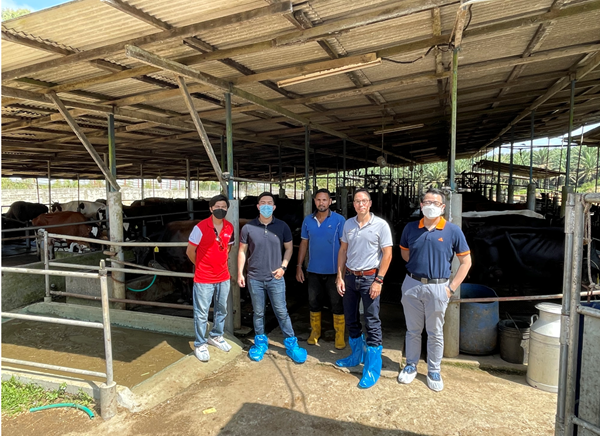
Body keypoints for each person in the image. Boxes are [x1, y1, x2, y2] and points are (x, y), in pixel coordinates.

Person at [398, 188, 472, 392]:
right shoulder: (411, 228)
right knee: (412, 330)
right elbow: (405, 254)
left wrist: (451, 288)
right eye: (426, 202)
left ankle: (434, 369)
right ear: (421, 205)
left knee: (435, 331)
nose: (430, 206)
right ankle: (411, 365)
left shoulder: (452, 230)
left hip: (439, 287)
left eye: (435, 203)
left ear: (443, 207)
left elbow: (465, 262)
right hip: (412, 284)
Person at [238, 192, 307, 364]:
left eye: (270, 203)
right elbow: (242, 251)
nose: (266, 206)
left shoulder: (282, 226)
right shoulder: (248, 227)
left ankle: (292, 345)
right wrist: (240, 273)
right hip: (255, 277)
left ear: (274, 207)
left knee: (281, 311)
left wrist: (283, 267)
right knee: (258, 312)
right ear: (258, 206)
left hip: (275, 277)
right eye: (263, 203)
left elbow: (290, 249)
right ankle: (260, 344)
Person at [335, 189, 393, 389]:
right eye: (357, 201)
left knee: (371, 321)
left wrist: (379, 280)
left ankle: (372, 368)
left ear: (370, 204)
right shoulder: (348, 224)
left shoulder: (380, 225)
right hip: (350, 277)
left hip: (370, 278)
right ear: (354, 205)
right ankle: (356, 355)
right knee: (351, 318)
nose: (361, 204)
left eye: (364, 201)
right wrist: (339, 276)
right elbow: (343, 250)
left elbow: (387, 254)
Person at [296, 188, 347, 349]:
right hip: (313, 270)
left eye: (324, 200)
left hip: (334, 271)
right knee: (313, 302)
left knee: (337, 303)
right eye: (318, 200)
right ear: (314, 201)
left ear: (330, 202)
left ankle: (339, 335)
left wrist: (341, 274)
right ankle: (315, 332)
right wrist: (299, 266)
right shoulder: (308, 221)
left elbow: (344, 247)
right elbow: (303, 244)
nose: (321, 203)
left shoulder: (340, 220)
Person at [186, 194, 234, 362]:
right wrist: (201, 265)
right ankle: (200, 343)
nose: (220, 209)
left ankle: (216, 336)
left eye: (224, 207)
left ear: (227, 209)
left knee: (222, 309)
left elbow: (228, 249)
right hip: (204, 277)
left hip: (223, 276)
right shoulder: (200, 227)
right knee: (202, 313)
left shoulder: (229, 227)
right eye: (217, 206)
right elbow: (190, 251)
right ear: (211, 208)